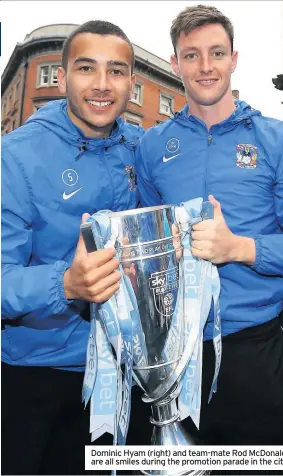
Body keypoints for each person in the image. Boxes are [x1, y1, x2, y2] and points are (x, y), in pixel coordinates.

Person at [136, 4, 283, 474]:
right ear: (175, 65)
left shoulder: (278, 141)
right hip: (175, 357)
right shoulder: (152, 146)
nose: (205, 67)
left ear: (234, 59)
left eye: (216, 53)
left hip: (255, 352)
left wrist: (240, 249)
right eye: (191, 55)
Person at [1, 20, 148, 476]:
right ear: (63, 78)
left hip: (125, 374)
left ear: (130, 82)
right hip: (37, 375)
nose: (102, 85)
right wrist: (65, 283)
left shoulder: (141, 150)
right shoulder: (16, 156)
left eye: (116, 71)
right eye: (87, 69)